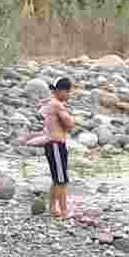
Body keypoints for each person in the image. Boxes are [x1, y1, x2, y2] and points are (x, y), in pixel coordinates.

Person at [39, 77, 75, 219]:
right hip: (55, 145)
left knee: (56, 179)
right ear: (60, 91)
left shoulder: (50, 103)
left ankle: (53, 208)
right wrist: (73, 119)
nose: (68, 95)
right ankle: (64, 211)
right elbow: (69, 124)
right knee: (62, 180)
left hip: (53, 145)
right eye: (68, 92)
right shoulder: (57, 105)